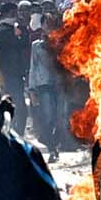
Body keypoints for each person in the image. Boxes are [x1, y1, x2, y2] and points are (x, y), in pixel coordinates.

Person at [27, 13, 64, 162]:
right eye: (46, 23)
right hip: (44, 85)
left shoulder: (60, 43)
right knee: (48, 117)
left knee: (60, 117)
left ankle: (56, 144)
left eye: (51, 23)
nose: (48, 26)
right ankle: (52, 148)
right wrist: (31, 88)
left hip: (59, 84)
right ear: (42, 26)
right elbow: (33, 66)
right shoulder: (36, 45)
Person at [0, 2, 31, 135]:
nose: (17, 16)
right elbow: (21, 43)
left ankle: (15, 132)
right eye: (14, 13)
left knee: (18, 105)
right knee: (18, 105)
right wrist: (24, 29)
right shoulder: (4, 31)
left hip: (16, 73)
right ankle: (14, 132)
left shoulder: (10, 30)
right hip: (10, 74)